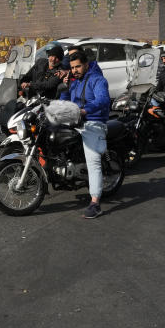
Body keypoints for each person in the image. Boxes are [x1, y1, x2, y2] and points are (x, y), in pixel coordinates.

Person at [60, 51, 111, 219]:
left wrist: (84, 110)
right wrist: (65, 88)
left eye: (78, 67)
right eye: (72, 68)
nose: (74, 70)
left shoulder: (97, 80)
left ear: (86, 65)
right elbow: (66, 101)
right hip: (76, 121)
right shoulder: (75, 82)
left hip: (92, 122)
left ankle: (95, 203)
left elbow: (103, 100)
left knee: (93, 160)